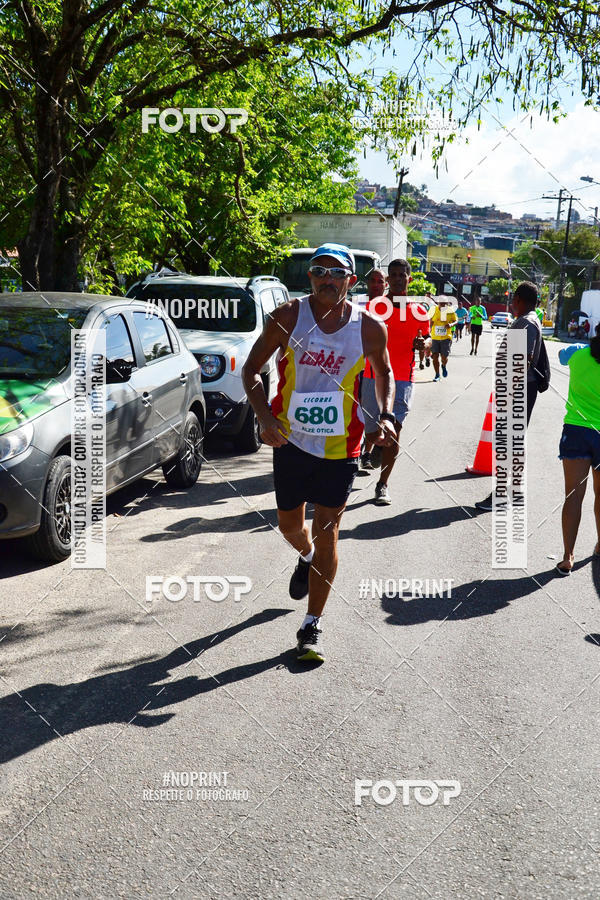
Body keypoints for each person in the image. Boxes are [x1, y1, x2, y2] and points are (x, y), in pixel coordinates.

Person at [242, 243, 396, 662]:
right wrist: (264, 419)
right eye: (318, 272)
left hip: (340, 447)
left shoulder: (368, 328)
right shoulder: (288, 317)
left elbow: (384, 373)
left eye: (336, 273)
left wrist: (384, 415)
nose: (326, 280)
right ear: (309, 277)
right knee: (291, 527)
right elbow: (251, 370)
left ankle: (312, 625)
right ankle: (305, 556)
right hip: (290, 440)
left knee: (329, 530)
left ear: (350, 279)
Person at [360, 258, 431, 504]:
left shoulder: (420, 311)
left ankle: (382, 485)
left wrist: (425, 344)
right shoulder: (373, 306)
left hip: (402, 379)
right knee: (370, 433)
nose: (398, 279)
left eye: (403, 275)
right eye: (394, 275)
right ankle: (372, 445)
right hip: (372, 376)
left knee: (393, 432)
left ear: (409, 279)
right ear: (387, 280)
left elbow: (429, 337)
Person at [475, 281, 543, 511]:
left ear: (519, 300)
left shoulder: (525, 322)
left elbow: (522, 359)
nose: (512, 304)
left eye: (514, 299)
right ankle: (515, 492)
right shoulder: (532, 320)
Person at [555, 325, 600, 574]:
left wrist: (580, 347)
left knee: (573, 495)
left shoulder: (577, 353)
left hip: (576, 431)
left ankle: (567, 556)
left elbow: (561, 355)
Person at [430, 297, 458, 382]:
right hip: (435, 337)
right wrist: (428, 331)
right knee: (435, 357)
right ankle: (437, 374)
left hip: (446, 337)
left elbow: (456, 320)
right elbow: (430, 320)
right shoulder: (433, 309)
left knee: (444, 357)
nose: (442, 305)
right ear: (438, 302)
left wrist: (451, 324)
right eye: (441, 303)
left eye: (444, 303)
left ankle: (443, 365)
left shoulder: (450, 310)